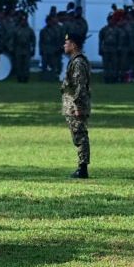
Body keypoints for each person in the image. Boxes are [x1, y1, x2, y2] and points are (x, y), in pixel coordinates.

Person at [61, 32, 92, 179]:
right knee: (77, 135)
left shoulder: (78, 62)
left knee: (80, 135)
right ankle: (81, 167)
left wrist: (78, 106)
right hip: (72, 105)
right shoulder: (75, 61)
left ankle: (82, 168)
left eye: (67, 43)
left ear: (73, 45)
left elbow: (80, 85)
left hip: (76, 106)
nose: (64, 45)